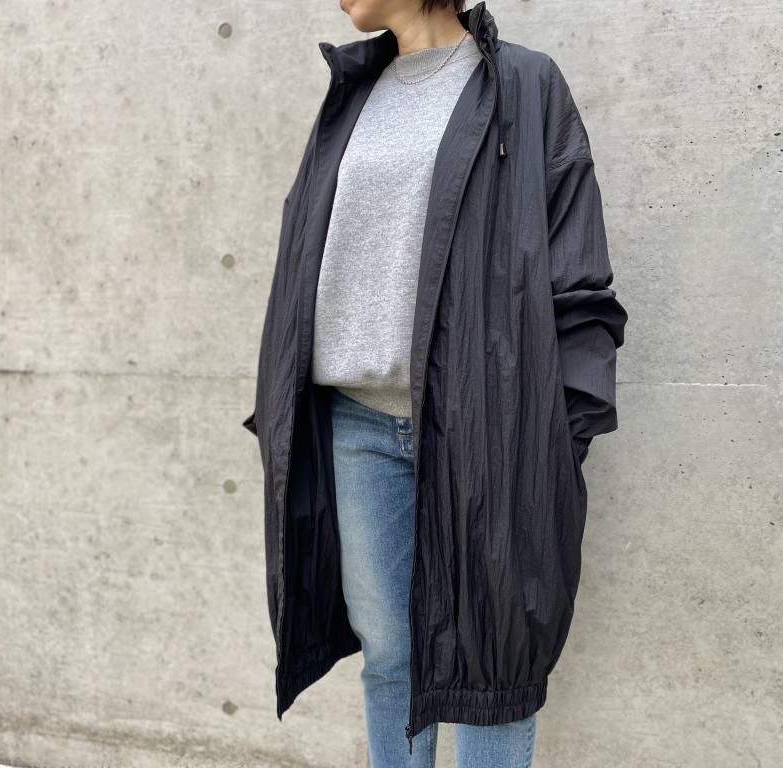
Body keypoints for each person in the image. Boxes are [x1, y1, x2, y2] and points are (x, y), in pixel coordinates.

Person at [243, 0, 627, 766]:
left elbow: (578, 280)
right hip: (357, 423)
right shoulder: (353, 93)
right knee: (391, 654)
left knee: (493, 661)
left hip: (489, 427)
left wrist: (554, 437)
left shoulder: (524, 85)